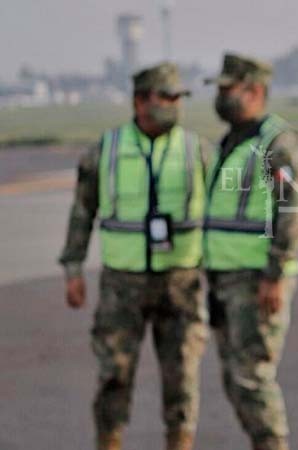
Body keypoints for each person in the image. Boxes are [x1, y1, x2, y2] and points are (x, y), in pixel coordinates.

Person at [59, 62, 207, 450]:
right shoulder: (105, 151)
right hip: (122, 284)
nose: (176, 106)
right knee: (114, 374)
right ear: (141, 101)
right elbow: (81, 212)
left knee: (182, 377)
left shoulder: (197, 150)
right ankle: (109, 441)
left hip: (181, 283)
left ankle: (180, 443)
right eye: (168, 97)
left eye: (179, 98)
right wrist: (73, 268)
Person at [203, 53, 298, 450]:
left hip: (255, 280)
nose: (220, 96)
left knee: (252, 378)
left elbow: (294, 212)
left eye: (227, 88)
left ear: (255, 90)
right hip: (224, 278)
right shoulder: (234, 139)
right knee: (236, 381)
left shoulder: (276, 142)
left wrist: (276, 273)